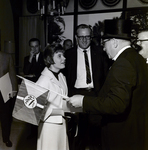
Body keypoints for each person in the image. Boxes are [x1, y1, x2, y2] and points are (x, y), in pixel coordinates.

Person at [67, 19, 148, 150]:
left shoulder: (123, 63)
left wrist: (84, 101)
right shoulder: (137, 58)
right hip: (135, 131)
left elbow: (117, 104)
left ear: (114, 42)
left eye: (104, 43)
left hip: (121, 135)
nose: (103, 48)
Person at [63, 24, 110, 150]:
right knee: (78, 134)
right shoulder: (68, 54)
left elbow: (106, 75)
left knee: (96, 133)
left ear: (91, 37)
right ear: (76, 37)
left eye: (87, 37)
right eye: (81, 37)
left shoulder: (100, 52)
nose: (84, 40)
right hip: (76, 95)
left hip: (95, 95)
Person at [36, 43, 69, 150]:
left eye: (63, 55)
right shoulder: (43, 80)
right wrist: (62, 111)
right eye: (59, 56)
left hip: (61, 124)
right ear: (50, 59)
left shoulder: (61, 76)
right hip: (49, 127)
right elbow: (37, 109)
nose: (64, 58)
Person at [23, 38, 45, 139]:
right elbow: (26, 72)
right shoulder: (27, 58)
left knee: (42, 112)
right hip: (31, 88)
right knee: (31, 111)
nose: (34, 49)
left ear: (39, 46)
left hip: (43, 87)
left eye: (36, 46)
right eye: (32, 46)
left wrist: (33, 75)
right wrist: (30, 59)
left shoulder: (45, 57)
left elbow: (43, 72)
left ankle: (42, 133)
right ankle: (32, 134)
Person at [0, 51, 18, 147]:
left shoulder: (7, 56)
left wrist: (14, 89)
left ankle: (6, 138)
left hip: (4, 90)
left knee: (5, 116)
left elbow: (12, 72)